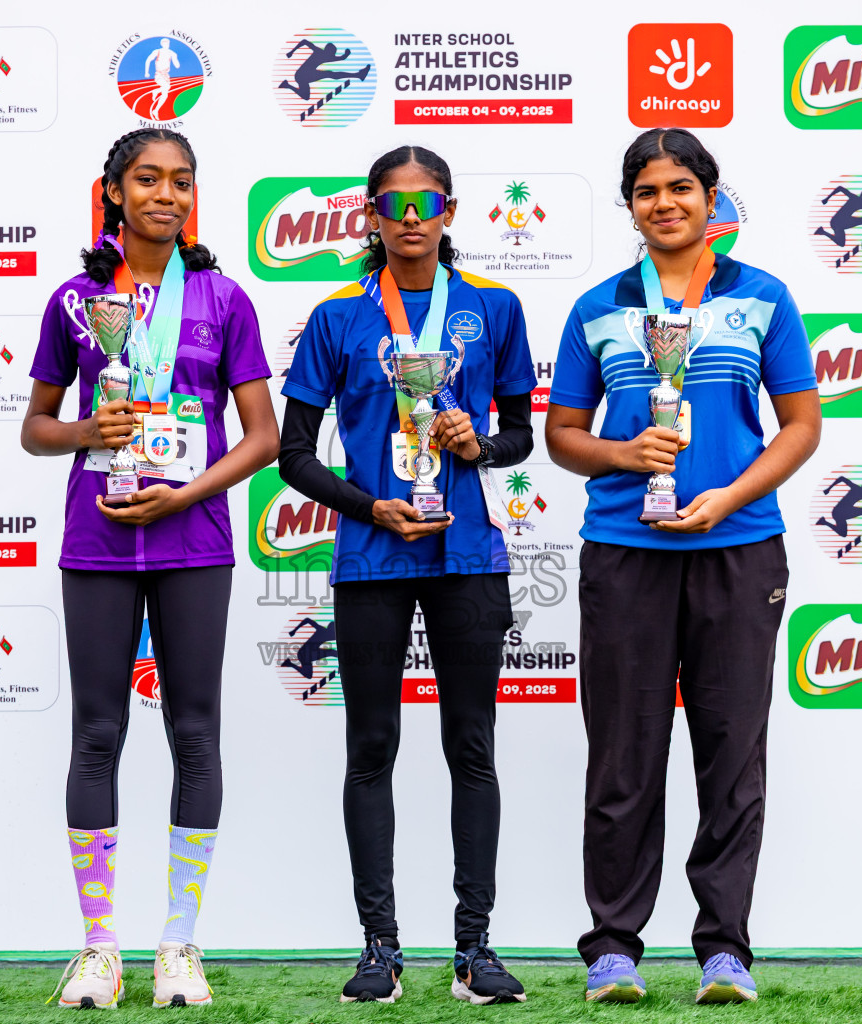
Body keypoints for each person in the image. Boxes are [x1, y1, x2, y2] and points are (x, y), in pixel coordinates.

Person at [545, 128, 821, 1006]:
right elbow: (562, 437)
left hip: (739, 549)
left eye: (680, 188)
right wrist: (624, 456)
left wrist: (730, 497)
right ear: (630, 206)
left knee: (732, 757)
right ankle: (613, 948)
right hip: (626, 553)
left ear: (711, 197)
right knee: (622, 756)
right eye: (647, 191)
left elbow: (802, 427)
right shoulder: (599, 306)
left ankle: (724, 950)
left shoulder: (764, 297)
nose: (664, 203)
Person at [21, 127, 278, 1010]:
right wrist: (88, 431)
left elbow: (263, 438)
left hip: (193, 536)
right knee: (96, 733)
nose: (166, 195)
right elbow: (36, 429)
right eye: (147, 179)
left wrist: (184, 495)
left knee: (194, 733)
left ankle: (178, 943)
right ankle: (100, 947)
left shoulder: (223, 298)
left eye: (181, 181)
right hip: (97, 538)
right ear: (115, 192)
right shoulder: (74, 301)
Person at [278, 145, 536, 1005]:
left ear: (451, 212)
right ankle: (379, 949)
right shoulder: (337, 316)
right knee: (370, 749)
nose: (412, 219)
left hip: (468, 555)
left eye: (428, 204)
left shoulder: (494, 307)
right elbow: (292, 454)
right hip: (373, 555)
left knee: (472, 747)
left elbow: (520, 436)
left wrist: (479, 445)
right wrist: (369, 508)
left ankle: (474, 950)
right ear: (371, 215)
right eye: (395, 204)